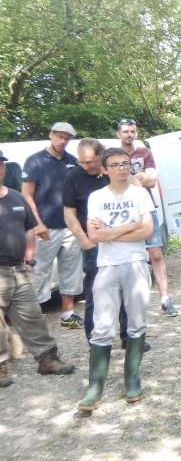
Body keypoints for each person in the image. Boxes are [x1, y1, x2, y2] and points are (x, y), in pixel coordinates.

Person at [77, 147, 154, 414]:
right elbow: (94, 236)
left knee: (136, 323)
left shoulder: (140, 193)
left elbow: (147, 230)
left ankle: (132, 379)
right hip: (107, 266)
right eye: (115, 164)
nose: (122, 168)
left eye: (125, 164)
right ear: (105, 169)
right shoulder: (96, 197)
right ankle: (95, 388)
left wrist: (111, 231)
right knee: (102, 325)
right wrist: (129, 226)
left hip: (135, 263)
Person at [63, 139, 148, 351]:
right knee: (95, 294)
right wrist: (84, 240)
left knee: (128, 291)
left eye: (90, 162)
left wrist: (117, 231)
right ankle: (95, 341)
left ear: (101, 159)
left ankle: (129, 336)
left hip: (125, 244)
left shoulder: (116, 171)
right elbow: (69, 212)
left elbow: (139, 198)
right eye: (82, 162)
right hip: (94, 244)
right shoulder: (73, 176)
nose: (86, 166)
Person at [0, 150, 76, 388]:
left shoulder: (15, 197)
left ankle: (48, 360)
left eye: (1, 164)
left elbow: (29, 228)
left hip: (18, 270)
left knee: (32, 317)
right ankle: (1, 367)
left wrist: (30, 256)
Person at [21, 121, 84, 328]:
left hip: (70, 227)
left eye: (67, 138)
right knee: (40, 272)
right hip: (45, 227)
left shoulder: (73, 162)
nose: (62, 141)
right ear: (51, 134)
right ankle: (34, 319)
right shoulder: (35, 161)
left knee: (71, 271)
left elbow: (78, 194)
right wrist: (37, 223)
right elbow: (27, 196)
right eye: (59, 136)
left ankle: (68, 314)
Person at [116, 118, 177, 317]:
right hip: (123, 212)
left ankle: (165, 299)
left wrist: (131, 179)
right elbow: (116, 182)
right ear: (119, 133)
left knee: (156, 254)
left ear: (136, 133)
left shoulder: (145, 153)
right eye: (125, 131)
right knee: (131, 258)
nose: (129, 135)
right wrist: (139, 177)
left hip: (147, 209)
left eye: (132, 131)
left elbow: (152, 180)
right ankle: (133, 305)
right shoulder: (113, 155)